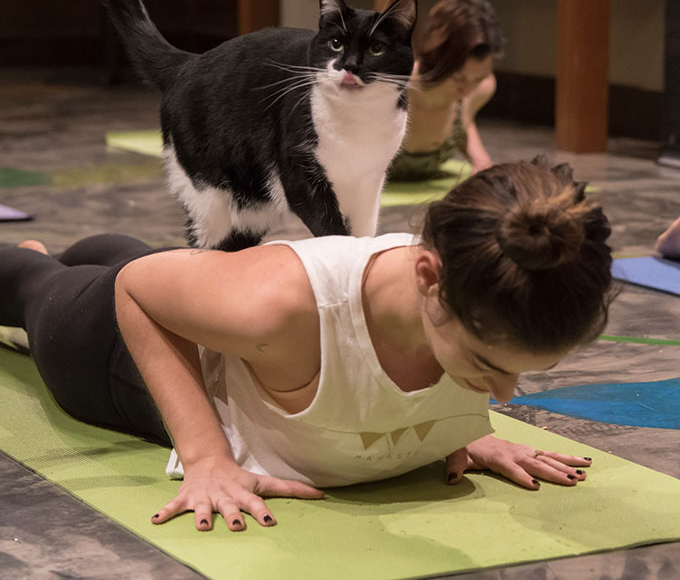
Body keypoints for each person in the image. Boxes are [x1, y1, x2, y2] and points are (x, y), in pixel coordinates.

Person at [0, 158, 615, 533]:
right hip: (106, 350)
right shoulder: (281, 305)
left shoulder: (473, 272)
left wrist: (457, 426)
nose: (505, 395)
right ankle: (37, 264)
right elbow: (136, 292)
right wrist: (207, 457)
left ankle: (108, 260)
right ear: (429, 280)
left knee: (148, 265)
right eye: (486, 366)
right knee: (42, 286)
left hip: (213, 301)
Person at [389, 0, 504, 181]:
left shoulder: (482, 89)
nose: (467, 91)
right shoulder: (394, 84)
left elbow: (463, 122)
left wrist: (479, 159)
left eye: (477, 79)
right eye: (458, 78)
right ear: (436, 60)